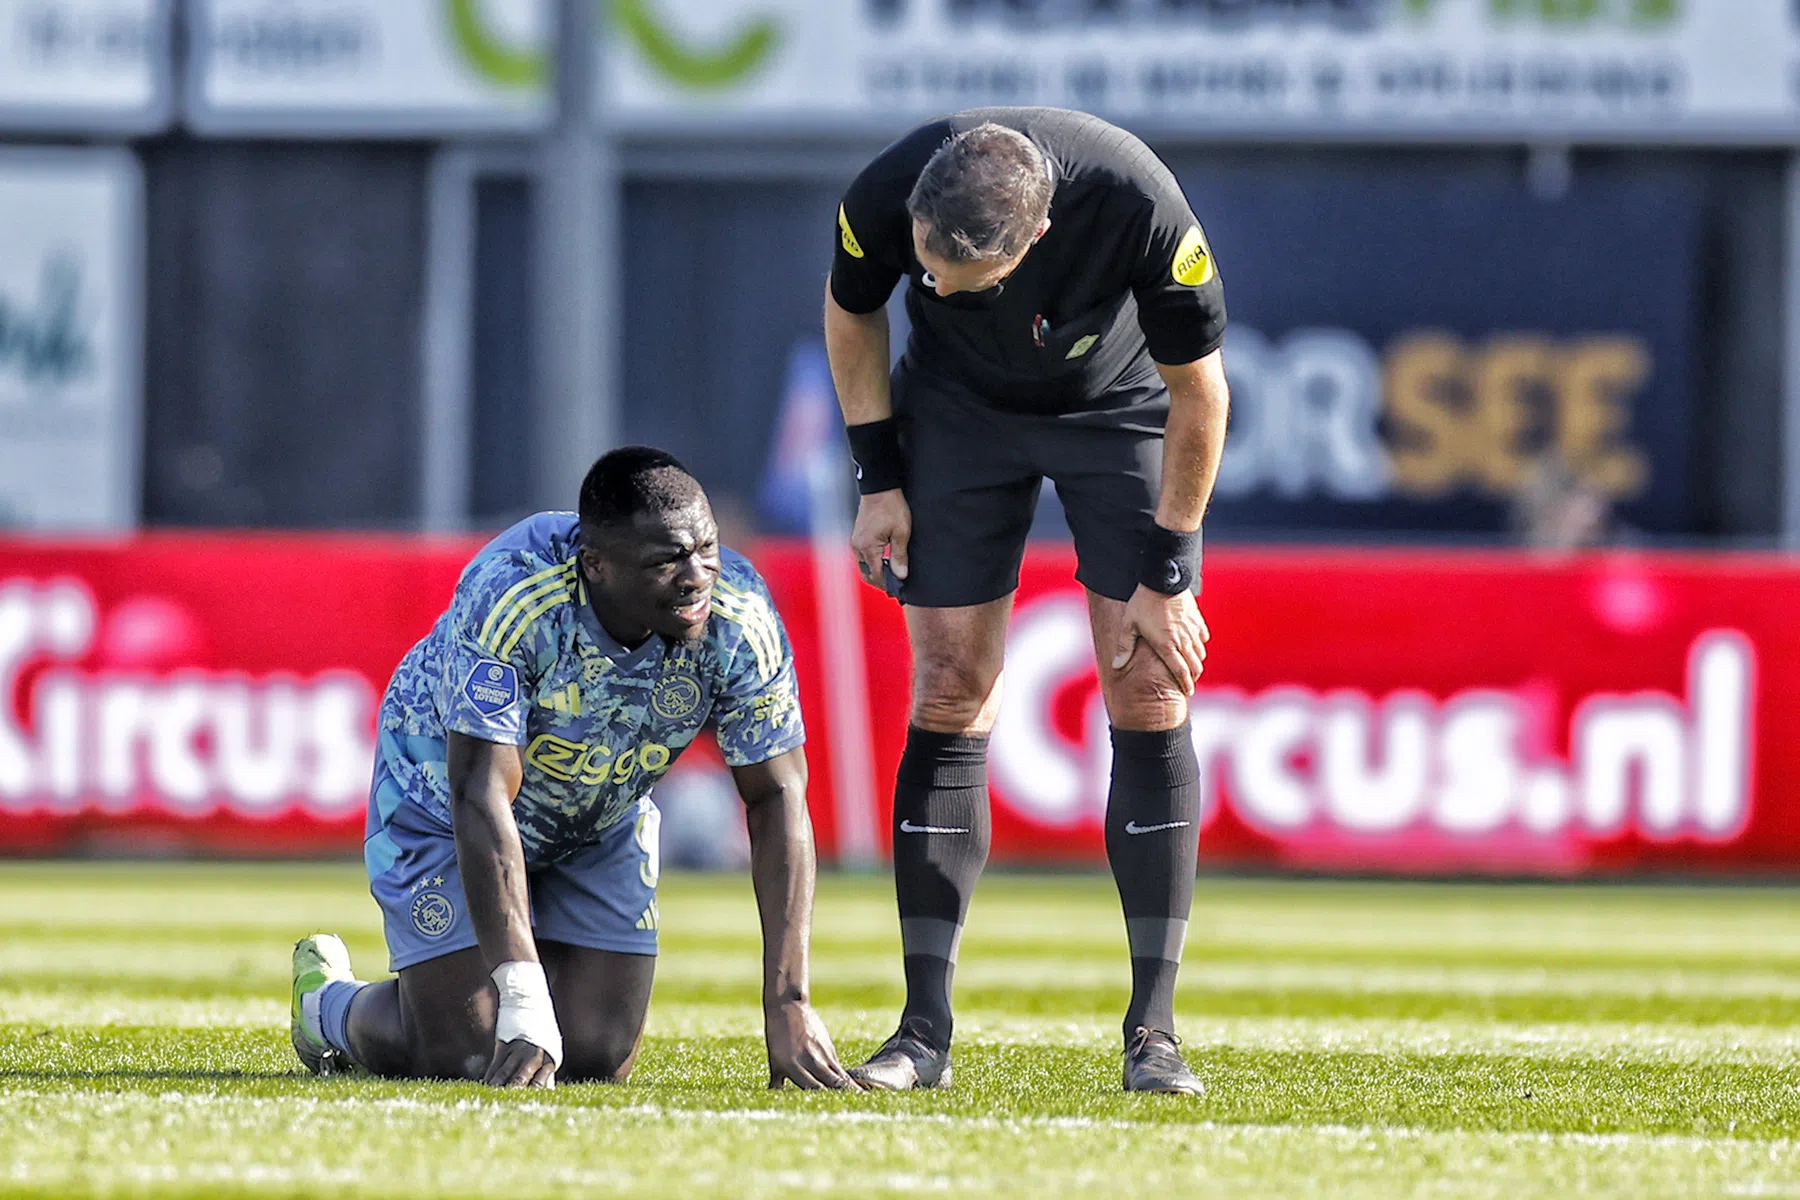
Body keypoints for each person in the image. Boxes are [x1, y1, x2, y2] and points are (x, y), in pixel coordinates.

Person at [825, 108, 1230, 1094]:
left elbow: (1202, 394)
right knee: (949, 689)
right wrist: (878, 475)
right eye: (927, 267)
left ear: (1037, 239)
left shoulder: (1142, 206)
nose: (931, 286)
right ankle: (922, 1034)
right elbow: (854, 310)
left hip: (1118, 407)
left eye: (961, 283)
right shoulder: (889, 188)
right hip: (958, 412)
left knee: (1147, 691)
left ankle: (1155, 1033)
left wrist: (1169, 574)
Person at [289, 447, 854, 1090]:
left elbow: (777, 796)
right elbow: (479, 791)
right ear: (597, 566)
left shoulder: (741, 617)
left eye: (706, 548)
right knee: (466, 1053)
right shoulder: (513, 592)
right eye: (666, 560)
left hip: (602, 809)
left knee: (595, 1057)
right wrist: (522, 992)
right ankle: (324, 1005)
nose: (697, 576)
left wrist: (789, 1003)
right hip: (444, 797)